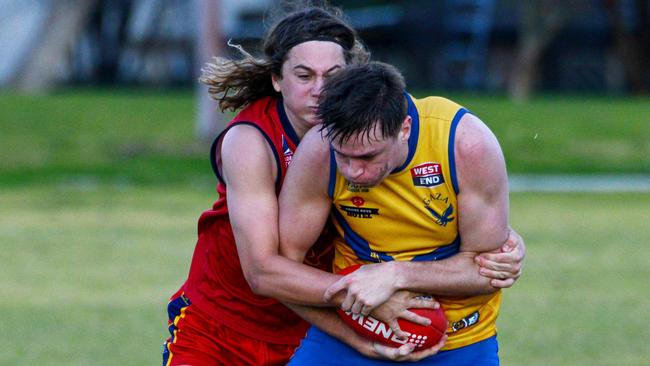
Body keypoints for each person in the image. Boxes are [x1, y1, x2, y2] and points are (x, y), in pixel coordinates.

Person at [162, 6, 525, 366]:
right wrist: (367, 295)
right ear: (277, 79)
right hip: (228, 322)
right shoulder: (254, 142)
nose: (319, 91)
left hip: (312, 322)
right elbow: (263, 270)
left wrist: (500, 243)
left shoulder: (384, 130)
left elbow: (426, 214)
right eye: (304, 76)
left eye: (332, 75)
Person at [278, 61, 516, 365]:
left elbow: (488, 273)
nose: (353, 171)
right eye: (343, 155)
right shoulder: (320, 151)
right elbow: (281, 271)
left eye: (368, 156)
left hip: (458, 336)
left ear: (404, 128)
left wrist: (394, 275)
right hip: (358, 325)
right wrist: (349, 333)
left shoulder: (466, 144)